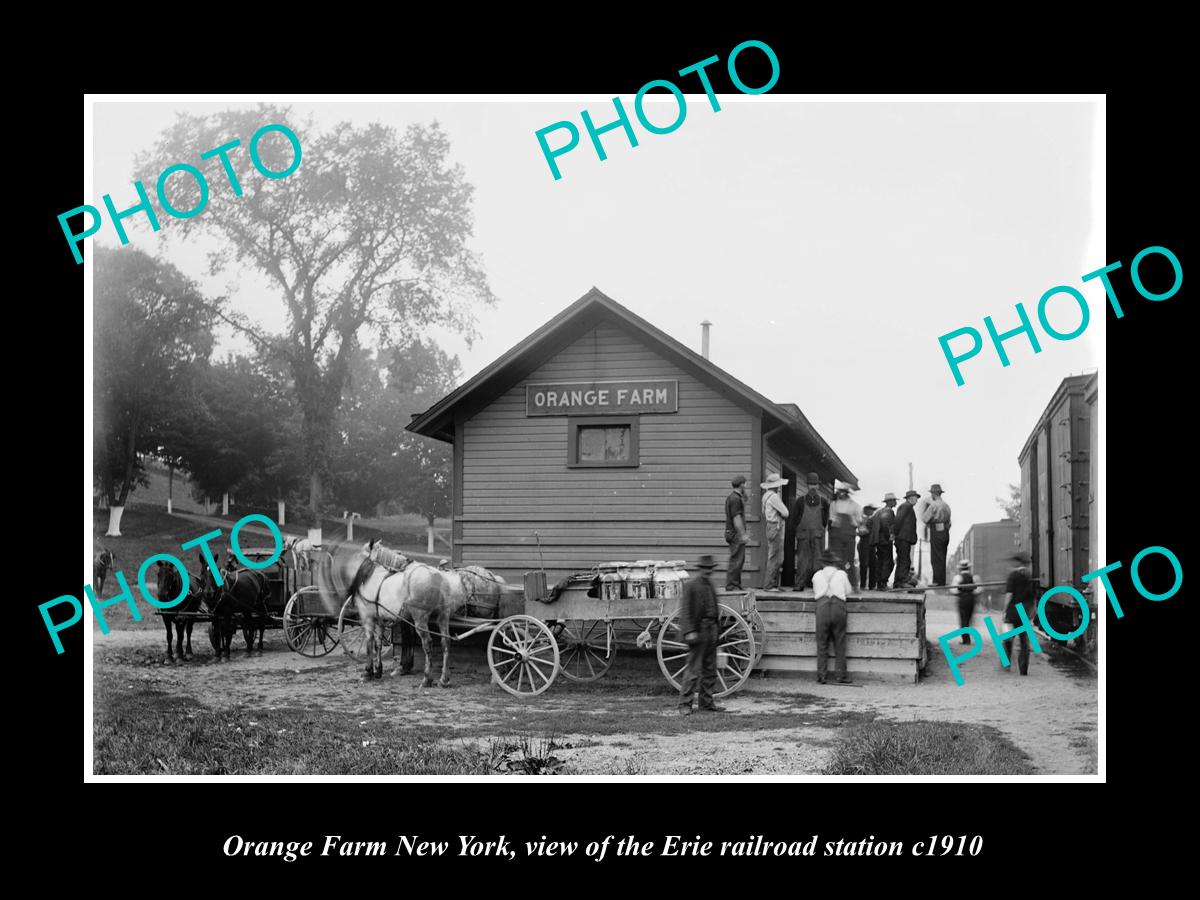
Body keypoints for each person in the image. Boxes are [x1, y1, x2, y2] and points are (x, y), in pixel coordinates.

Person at [677, 554, 723, 714]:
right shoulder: (691, 586)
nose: (707, 572)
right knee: (693, 670)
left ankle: (706, 703)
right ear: (700, 569)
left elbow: (715, 610)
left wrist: (718, 632)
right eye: (705, 569)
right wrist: (689, 631)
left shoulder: (711, 585)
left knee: (710, 670)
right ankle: (685, 704)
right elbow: (686, 611)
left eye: (710, 569)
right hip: (698, 630)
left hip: (711, 630)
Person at [812, 549, 853, 684]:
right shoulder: (841, 574)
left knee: (822, 642)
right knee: (839, 642)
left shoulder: (817, 575)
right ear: (834, 563)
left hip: (822, 606)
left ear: (823, 563)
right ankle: (841, 675)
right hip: (838, 606)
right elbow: (848, 591)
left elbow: (815, 591)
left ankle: (822, 676)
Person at [790, 471, 828, 590]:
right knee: (802, 559)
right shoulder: (800, 501)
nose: (813, 487)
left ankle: (817, 584)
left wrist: (819, 528)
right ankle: (800, 583)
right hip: (803, 534)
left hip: (817, 534)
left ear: (818, 486)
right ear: (807, 485)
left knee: (818, 560)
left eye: (815, 484)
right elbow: (794, 519)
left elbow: (825, 520)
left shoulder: (824, 501)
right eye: (811, 484)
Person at [1002, 550, 1036, 675]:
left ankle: (1006, 664)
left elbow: (1009, 595)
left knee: (1007, 638)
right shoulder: (1029, 577)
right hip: (1024, 612)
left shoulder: (1012, 576)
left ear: (1017, 563)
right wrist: (1032, 614)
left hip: (1012, 612)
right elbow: (1033, 598)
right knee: (1024, 641)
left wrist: (1004, 610)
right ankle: (1023, 670)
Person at [827, 480, 863, 590]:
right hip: (836, 537)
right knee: (837, 560)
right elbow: (831, 519)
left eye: (843, 492)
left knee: (850, 561)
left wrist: (853, 521)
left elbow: (859, 521)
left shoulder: (855, 506)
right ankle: (836, 585)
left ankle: (853, 585)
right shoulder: (833, 504)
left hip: (849, 537)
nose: (841, 494)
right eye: (840, 491)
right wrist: (835, 522)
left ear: (847, 493)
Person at [918, 484, 952, 586]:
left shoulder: (933, 505)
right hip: (945, 532)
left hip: (936, 531)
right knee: (942, 556)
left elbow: (924, 519)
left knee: (936, 557)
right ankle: (942, 581)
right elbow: (949, 523)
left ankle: (937, 581)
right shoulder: (946, 506)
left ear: (933, 494)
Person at [760, 472, 789, 591]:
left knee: (775, 555)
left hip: (770, 526)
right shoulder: (774, 497)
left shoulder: (765, 496)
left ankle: (774, 584)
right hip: (776, 526)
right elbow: (786, 513)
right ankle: (769, 585)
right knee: (775, 556)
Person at [724, 475, 749, 590]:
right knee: (737, 560)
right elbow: (736, 518)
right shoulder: (736, 499)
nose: (746, 486)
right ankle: (732, 586)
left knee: (738, 559)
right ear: (742, 484)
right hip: (735, 534)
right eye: (745, 484)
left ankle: (736, 585)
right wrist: (743, 534)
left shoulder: (731, 497)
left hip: (731, 532)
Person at [892, 489, 920, 587]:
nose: (917, 500)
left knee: (902, 559)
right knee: (904, 560)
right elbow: (898, 520)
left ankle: (898, 582)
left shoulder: (907, 507)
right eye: (916, 498)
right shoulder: (906, 506)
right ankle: (902, 581)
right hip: (903, 538)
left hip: (903, 538)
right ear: (911, 498)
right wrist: (895, 533)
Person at [951, 559, 981, 643]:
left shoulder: (958, 578)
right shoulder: (974, 577)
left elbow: (953, 590)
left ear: (960, 569)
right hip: (971, 599)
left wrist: (960, 593)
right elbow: (979, 590)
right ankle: (967, 637)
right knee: (969, 618)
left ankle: (966, 639)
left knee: (963, 618)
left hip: (962, 599)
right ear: (969, 568)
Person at [871, 493, 898, 588]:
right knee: (888, 562)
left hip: (878, 540)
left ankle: (879, 583)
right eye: (894, 500)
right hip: (885, 540)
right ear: (890, 502)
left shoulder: (879, 511)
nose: (896, 502)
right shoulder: (888, 511)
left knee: (881, 561)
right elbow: (884, 522)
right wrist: (889, 534)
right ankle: (883, 582)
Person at [858, 504, 877, 590]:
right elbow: (861, 532)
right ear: (867, 510)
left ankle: (871, 585)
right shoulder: (862, 519)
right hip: (864, 544)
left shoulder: (870, 520)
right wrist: (869, 529)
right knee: (864, 565)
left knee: (872, 564)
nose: (873, 511)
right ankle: (863, 585)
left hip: (871, 544)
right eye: (871, 510)